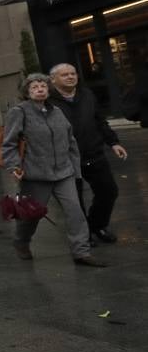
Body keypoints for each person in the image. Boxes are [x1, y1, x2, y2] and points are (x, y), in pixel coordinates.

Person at [2, 73, 105, 267]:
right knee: (30, 215)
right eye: (34, 87)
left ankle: (81, 252)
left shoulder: (57, 111)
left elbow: (71, 140)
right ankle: (21, 241)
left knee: (75, 212)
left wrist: (75, 170)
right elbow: (9, 143)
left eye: (43, 86)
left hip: (64, 173)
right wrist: (14, 165)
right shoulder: (19, 112)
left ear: (49, 91)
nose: (40, 89)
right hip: (35, 175)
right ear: (27, 92)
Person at [47, 62, 128, 243]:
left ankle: (97, 225)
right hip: (65, 159)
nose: (70, 77)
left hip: (93, 152)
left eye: (73, 73)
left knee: (108, 191)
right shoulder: (47, 101)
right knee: (74, 202)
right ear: (53, 80)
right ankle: (83, 235)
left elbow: (100, 120)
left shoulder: (87, 95)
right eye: (65, 74)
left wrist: (113, 142)